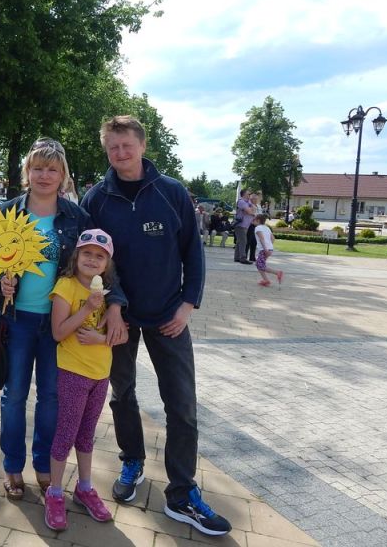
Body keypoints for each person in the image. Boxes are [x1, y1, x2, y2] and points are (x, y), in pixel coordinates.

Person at [82, 115, 231, 536]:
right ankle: (132, 461)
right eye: (112, 147)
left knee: (182, 405)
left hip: (169, 316)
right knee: (122, 394)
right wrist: (114, 305)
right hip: (119, 317)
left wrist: (187, 305)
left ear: (142, 146)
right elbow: (94, 262)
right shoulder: (97, 199)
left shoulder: (171, 193)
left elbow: (193, 253)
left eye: (126, 145)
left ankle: (181, 493)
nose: (120, 153)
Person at [0, 137, 127, 502]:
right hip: (18, 320)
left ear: (63, 175)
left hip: (60, 327)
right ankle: (12, 467)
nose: (44, 175)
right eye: (37, 168)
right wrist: (0, 282)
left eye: (52, 169)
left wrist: (115, 304)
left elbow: (102, 264)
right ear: (27, 171)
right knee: (14, 395)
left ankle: (43, 466)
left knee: (51, 398)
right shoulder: (8, 212)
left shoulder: (76, 217)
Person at [45, 229, 116, 531]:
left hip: (101, 373)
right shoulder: (66, 287)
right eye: (87, 253)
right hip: (74, 372)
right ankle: (54, 492)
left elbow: (120, 335)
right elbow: (58, 333)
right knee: (66, 434)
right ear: (76, 256)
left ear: (107, 264)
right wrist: (87, 307)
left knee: (87, 435)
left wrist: (101, 337)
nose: (92, 259)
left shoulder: (111, 295)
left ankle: (84, 487)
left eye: (99, 256)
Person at [253, 214, 283, 287]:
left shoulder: (258, 228)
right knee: (259, 264)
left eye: (254, 220)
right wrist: (269, 246)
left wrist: (265, 249)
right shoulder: (267, 228)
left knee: (260, 265)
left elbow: (261, 239)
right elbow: (273, 238)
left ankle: (277, 273)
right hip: (269, 248)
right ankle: (266, 280)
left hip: (264, 249)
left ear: (258, 220)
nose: (252, 221)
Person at [234, 189, 255, 265]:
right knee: (243, 241)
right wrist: (251, 211)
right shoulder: (241, 202)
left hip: (245, 225)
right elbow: (249, 211)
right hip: (240, 225)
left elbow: (253, 209)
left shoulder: (248, 202)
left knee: (239, 241)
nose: (250, 195)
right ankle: (242, 258)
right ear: (244, 194)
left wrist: (251, 210)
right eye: (248, 194)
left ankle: (237, 257)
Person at [246, 192, 263, 262]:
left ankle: (252, 256)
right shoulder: (249, 205)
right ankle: (244, 256)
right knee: (248, 241)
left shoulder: (259, 206)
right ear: (251, 199)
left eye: (256, 199)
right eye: (254, 199)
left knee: (254, 241)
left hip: (258, 226)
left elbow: (260, 214)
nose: (256, 200)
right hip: (251, 225)